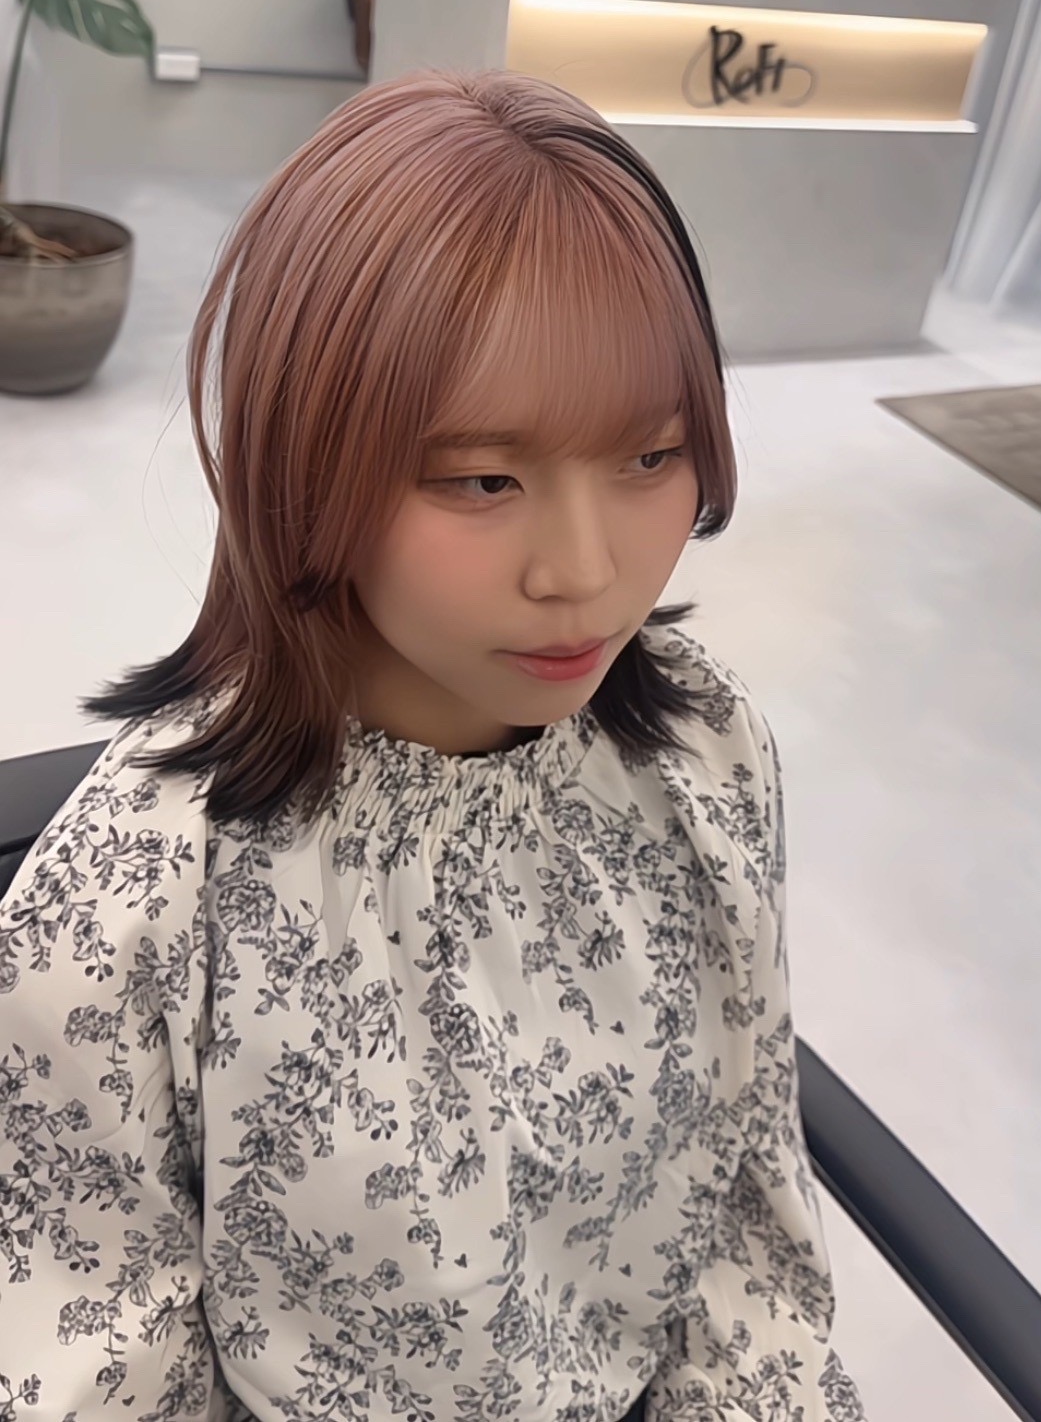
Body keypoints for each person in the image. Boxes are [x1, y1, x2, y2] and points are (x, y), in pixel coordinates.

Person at [0, 73, 863, 1422]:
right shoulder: (129, 906)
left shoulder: (702, 747)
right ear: (305, 464)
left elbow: (745, 1242)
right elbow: (98, 1369)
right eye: (482, 479)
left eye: (651, 458)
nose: (584, 572)